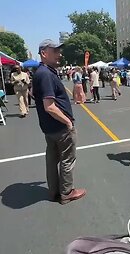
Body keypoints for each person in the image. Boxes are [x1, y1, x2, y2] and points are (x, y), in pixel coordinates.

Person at [32, 39, 86, 205]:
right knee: (67, 159)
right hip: (59, 127)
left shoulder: (41, 72)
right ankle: (67, 192)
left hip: (49, 128)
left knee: (52, 159)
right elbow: (49, 106)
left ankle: (54, 191)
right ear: (44, 53)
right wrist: (67, 121)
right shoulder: (46, 74)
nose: (59, 54)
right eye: (55, 51)